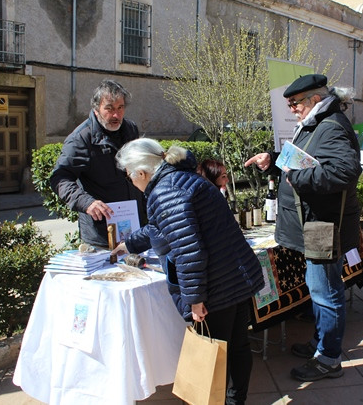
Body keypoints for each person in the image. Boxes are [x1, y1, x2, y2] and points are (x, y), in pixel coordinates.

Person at [111, 138, 264, 404]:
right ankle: (235, 400)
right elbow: (163, 228)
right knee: (238, 345)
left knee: (212, 354)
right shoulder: (182, 180)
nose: (131, 183)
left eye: (129, 177)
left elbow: (188, 250)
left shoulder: (166, 191)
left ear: (141, 172)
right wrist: (128, 244)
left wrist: (195, 299)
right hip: (236, 275)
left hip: (218, 284)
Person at [244, 73, 362, 382]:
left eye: (295, 103)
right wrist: (272, 159)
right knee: (320, 289)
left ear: (314, 100)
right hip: (314, 224)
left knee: (326, 292)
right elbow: (303, 158)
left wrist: (298, 178)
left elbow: (344, 173)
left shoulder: (331, 126)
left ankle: (329, 358)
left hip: (323, 227)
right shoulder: (316, 124)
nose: (292, 109)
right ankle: (322, 343)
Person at [50, 79, 146, 248]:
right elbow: (60, 178)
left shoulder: (130, 129)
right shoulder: (80, 138)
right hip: (102, 233)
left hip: (136, 225)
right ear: (96, 109)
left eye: (120, 108)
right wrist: (86, 202)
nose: (116, 115)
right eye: (109, 108)